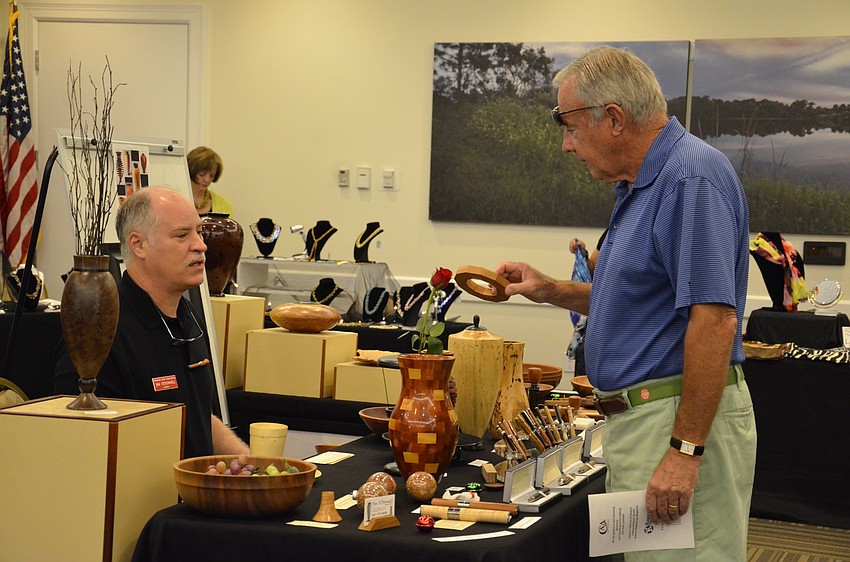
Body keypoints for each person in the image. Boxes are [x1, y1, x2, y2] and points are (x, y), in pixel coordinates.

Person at [495, 46, 755, 560]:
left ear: (613, 118)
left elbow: (714, 319)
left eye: (570, 128)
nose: (568, 146)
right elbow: (637, 302)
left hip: (672, 422)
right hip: (644, 421)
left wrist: (684, 453)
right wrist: (547, 288)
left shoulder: (690, 178)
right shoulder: (642, 185)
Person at [55, 187, 248, 459]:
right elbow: (81, 442)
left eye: (199, 232)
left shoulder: (187, 315)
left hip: (195, 494)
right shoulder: (100, 331)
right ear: (138, 244)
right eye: (182, 235)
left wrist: (249, 463)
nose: (201, 245)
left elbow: (196, 414)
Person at [187, 146, 233, 216]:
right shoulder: (177, 199)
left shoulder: (224, 204)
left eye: (211, 176)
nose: (207, 180)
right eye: (202, 174)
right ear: (191, 170)